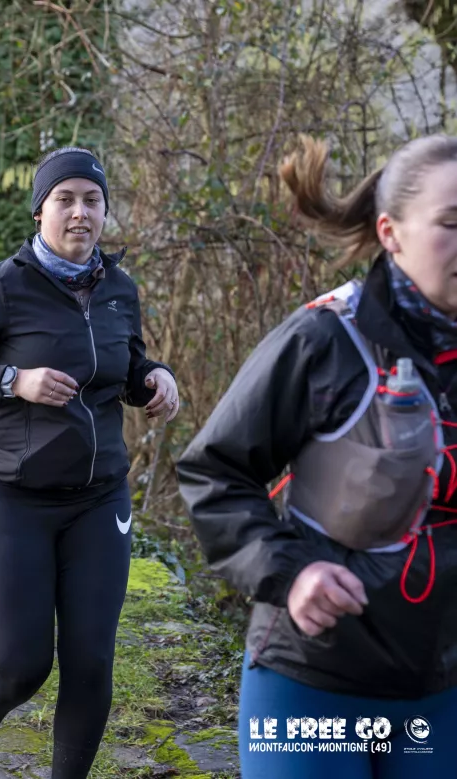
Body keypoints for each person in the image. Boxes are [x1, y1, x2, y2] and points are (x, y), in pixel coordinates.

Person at [176, 135, 457, 778]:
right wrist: (293, 572)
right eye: (451, 224)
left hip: (441, 690)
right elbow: (214, 471)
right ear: (390, 233)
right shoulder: (325, 339)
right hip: (314, 676)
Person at [0, 146, 179, 779]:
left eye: (92, 200)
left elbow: (124, 367)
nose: (80, 213)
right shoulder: (2, 287)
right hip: (13, 498)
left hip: (99, 497)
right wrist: (16, 380)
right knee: (23, 663)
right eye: (65, 200)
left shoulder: (119, 289)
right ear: (40, 211)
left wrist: (154, 377)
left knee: (91, 662)